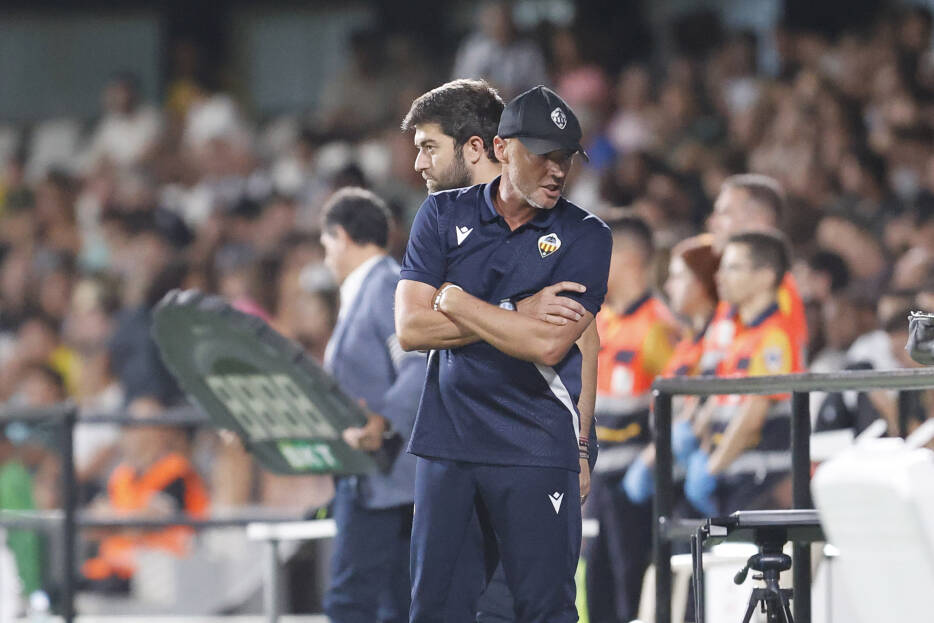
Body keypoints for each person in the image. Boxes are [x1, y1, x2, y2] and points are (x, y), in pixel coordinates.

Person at [396, 86, 611, 623]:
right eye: (544, 155)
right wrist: (517, 309)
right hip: (449, 447)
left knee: (544, 611)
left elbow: (549, 342)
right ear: (502, 147)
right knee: (434, 611)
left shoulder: (587, 237)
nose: (558, 171)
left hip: (536, 447)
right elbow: (411, 327)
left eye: (566, 158)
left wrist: (460, 301)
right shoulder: (442, 214)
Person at [318, 187, 428, 623]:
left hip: (380, 477)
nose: (325, 256)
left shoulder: (384, 285)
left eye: (325, 244)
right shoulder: (369, 290)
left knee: (350, 603)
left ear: (342, 236)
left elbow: (419, 364)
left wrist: (383, 421)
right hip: (385, 477)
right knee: (396, 605)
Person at [585, 216, 678, 623]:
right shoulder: (601, 319)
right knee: (597, 583)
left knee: (631, 587)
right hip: (599, 480)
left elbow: (679, 405)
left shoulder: (659, 326)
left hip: (637, 487)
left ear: (625, 259)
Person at [685, 231, 803, 516]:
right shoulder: (741, 337)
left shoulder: (774, 336)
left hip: (760, 484)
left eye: (733, 268)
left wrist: (712, 467)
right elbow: (722, 402)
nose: (720, 276)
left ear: (765, 276)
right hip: (735, 478)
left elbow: (753, 415)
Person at [704, 174, 808, 374]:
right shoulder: (731, 290)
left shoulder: (777, 293)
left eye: (724, 213)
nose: (712, 222)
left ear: (759, 221)